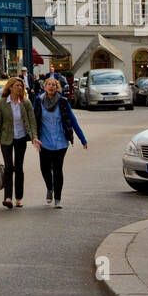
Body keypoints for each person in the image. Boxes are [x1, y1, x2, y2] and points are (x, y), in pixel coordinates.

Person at [33, 76, 87, 206]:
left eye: (54, 85)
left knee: (57, 170)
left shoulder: (63, 102)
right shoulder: (39, 101)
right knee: (45, 169)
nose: (51, 87)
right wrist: (33, 137)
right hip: (44, 141)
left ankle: (58, 198)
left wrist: (82, 138)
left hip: (60, 141)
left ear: (57, 88)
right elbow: (34, 121)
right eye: (49, 84)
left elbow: (72, 120)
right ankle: (49, 188)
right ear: (44, 87)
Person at [0, 77, 39, 209]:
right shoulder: (2, 102)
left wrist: (34, 137)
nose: (20, 88)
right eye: (17, 85)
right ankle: (7, 198)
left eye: (21, 86)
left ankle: (19, 198)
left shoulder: (26, 103)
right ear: (10, 87)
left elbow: (32, 121)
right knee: (8, 167)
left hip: (21, 138)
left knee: (18, 167)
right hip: (6, 138)